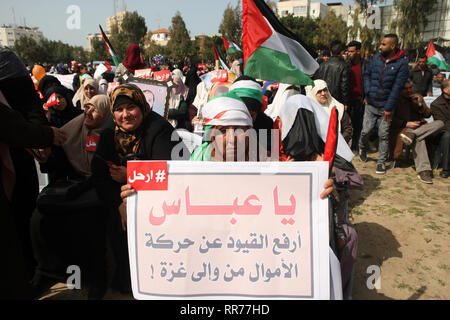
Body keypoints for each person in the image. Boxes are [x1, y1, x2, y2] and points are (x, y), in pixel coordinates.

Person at [91, 84, 184, 294]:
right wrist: (120, 203)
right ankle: (126, 280)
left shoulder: (159, 129)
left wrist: (131, 176)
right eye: (119, 109)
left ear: (142, 107)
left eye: (131, 108)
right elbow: (99, 174)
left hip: (159, 199)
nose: (125, 115)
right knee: (115, 222)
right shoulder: (108, 133)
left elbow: (170, 175)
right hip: (119, 196)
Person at [0, 46, 67, 298]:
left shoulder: (6, 61)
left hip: (19, 155)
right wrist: (45, 136)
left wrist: (42, 138)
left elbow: (26, 111)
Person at [30, 95, 112, 299]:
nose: (87, 112)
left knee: (88, 221)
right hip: (73, 185)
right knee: (38, 219)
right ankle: (48, 270)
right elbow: (57, 161)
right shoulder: (74, 128)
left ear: (106, 113)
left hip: (103, 186)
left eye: (94, 109)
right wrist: (47, 157)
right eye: (86, 107)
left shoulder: (113, 133)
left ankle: (96, 278)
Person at [359, 34, 409, 174]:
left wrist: (388, 108)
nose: (380, 47)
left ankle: (381, 162)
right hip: (371, 103)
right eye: (381, 44)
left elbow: (397, 88)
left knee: (383, 134)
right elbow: (367, 75)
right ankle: (362, 147)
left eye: (383, 44)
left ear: (392, 46)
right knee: (366, 130)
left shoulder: (402, 64)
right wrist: (368, 92)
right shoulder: (376, 58)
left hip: (386, 107)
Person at [389, 80, 444, 184]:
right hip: (405, 129)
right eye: (406, 89)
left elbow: (428, 115)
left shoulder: (416, 98)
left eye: (410, 88)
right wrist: (406, 123)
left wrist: (420, 103)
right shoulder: (395, 100)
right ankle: (424, 171)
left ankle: (414, 134)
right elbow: (390, 120)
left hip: (419, 128)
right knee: (420, 139)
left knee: (440, 123)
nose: (409, 91)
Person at [229, 76, 274, 155]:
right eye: (242, 114)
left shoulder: (266, 124)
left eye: (251, 115)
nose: (247, 121)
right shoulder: (221, 124)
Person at [313, 41, 350, 108]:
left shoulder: (322, 65)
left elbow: (316, 81)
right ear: (341, 53)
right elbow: (344, 86)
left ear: (331, 52)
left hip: (322, 98)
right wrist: (345, 102)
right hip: (336, 100)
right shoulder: (344, 66)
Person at [347, 41, 369, 152]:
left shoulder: (365, 65)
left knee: (357, 125)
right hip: (347, 100)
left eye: (352, 51)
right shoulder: (346, 65)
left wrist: (366, 96)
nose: (349, 54)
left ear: (358, 51)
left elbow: (370, 82)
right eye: (348, 51)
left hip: (360, 100)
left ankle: (355, 145)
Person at [431, 79, 450, 178]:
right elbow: (442, 122)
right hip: (442, 130)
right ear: (446, 90)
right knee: (447, 136)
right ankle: (446, 168)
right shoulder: (436, 104)